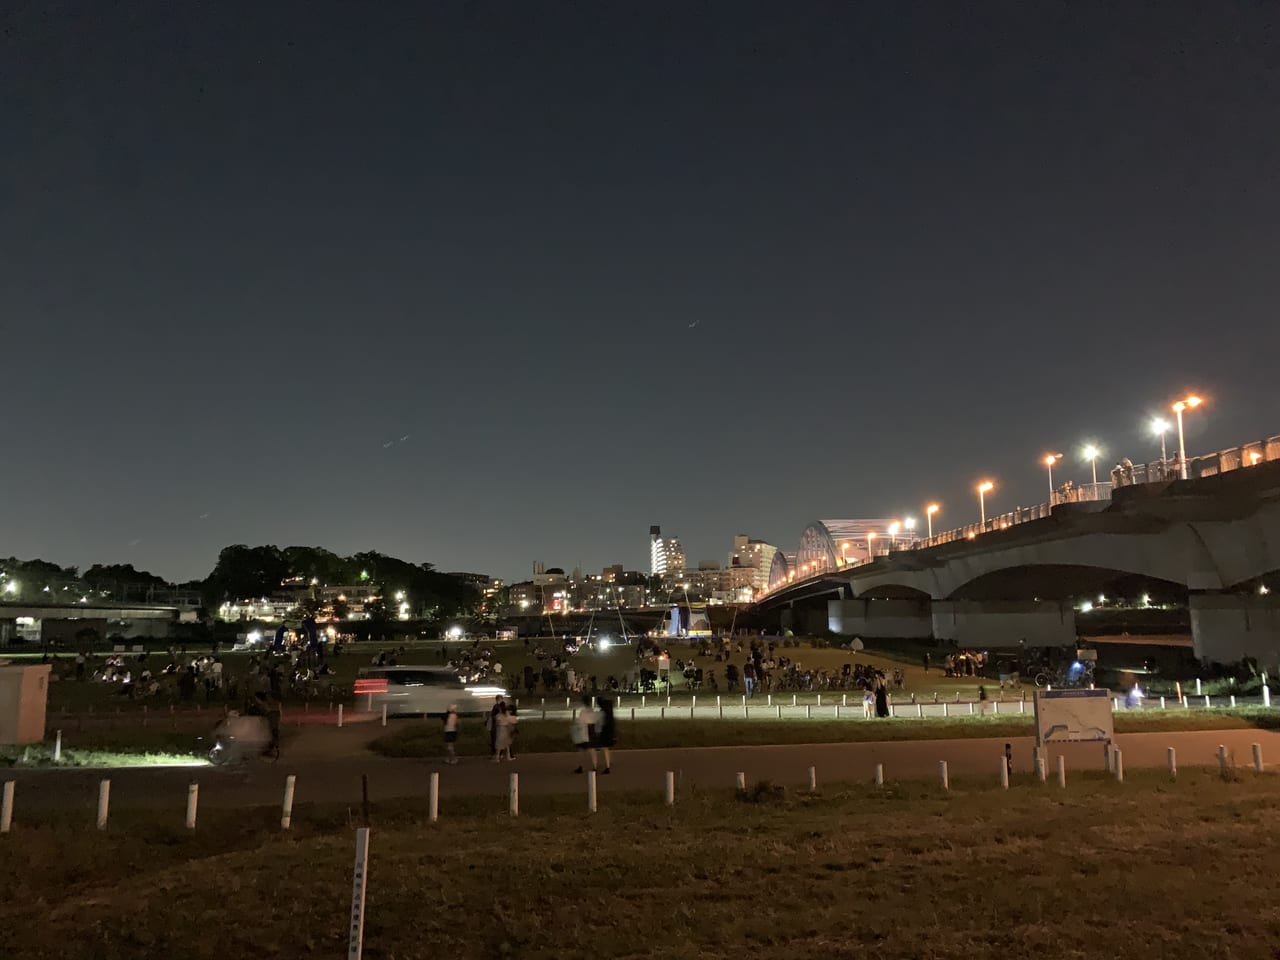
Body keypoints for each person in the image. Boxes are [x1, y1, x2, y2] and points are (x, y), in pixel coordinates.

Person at [571, 695, 598, 773]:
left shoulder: (583, 712)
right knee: (592, 750)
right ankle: (595, 766)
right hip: (592, 730)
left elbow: (580, 722)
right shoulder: (592, 710)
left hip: (585, 731)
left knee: (581, 750)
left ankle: (580, 766)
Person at [595, 698, 616, 773]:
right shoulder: (609, 712)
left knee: (604, 750)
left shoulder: (602, 712)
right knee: (606, 750)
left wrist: (597, 733)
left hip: (603, 733)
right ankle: (608, 764)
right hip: (609, 733)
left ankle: (607, 767)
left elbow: (599, 724)